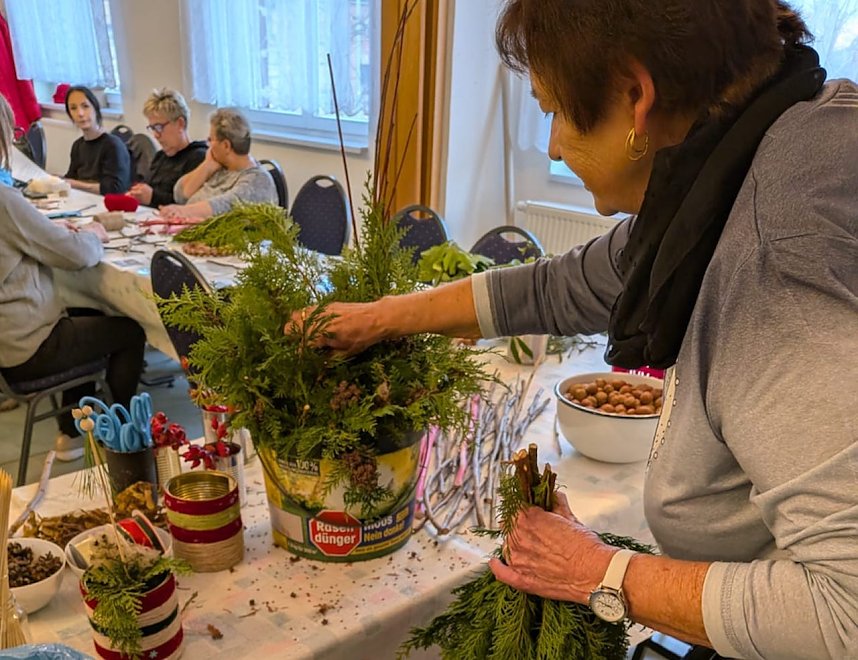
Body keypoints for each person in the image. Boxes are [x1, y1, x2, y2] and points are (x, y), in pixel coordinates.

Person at [289, 1, 858, 657]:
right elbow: (564, 285)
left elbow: (844, 612)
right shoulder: (758, 152)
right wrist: (381, 318)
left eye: (554, 110)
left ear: (635, 95)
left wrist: (597, 573)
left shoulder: (777, 267)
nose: (553, 145)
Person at [0, 94, 145, 462]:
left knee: (85, 314)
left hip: (8, 343)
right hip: (25, 346)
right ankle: (123, 441)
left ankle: (72, 432)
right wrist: (92, 234)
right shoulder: (4, 201)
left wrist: (52, 234)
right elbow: (75, 256)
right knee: (131, 331)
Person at [159, 107, 276, 220]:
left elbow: (223, 207)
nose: (208, 145)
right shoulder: (219, 166)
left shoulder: (257, 181)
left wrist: (180, 211)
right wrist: (207, 165)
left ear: (226, 145)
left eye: (211, 140)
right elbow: (180, 195)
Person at [127, 88, 207, 207]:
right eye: (152, 128)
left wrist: (153, 197)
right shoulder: (160, 157)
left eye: (159, 127)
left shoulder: (198, 158)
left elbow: (192, 204)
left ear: (180, 124)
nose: (155, 135)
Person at [63, 85, 131, 194]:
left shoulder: (113, 145)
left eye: (85, 106)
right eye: (73, 108)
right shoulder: (77, 146)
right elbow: (70, 178)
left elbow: (115, 189)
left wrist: (75, 184)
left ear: (95, 108)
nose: (80, 113)